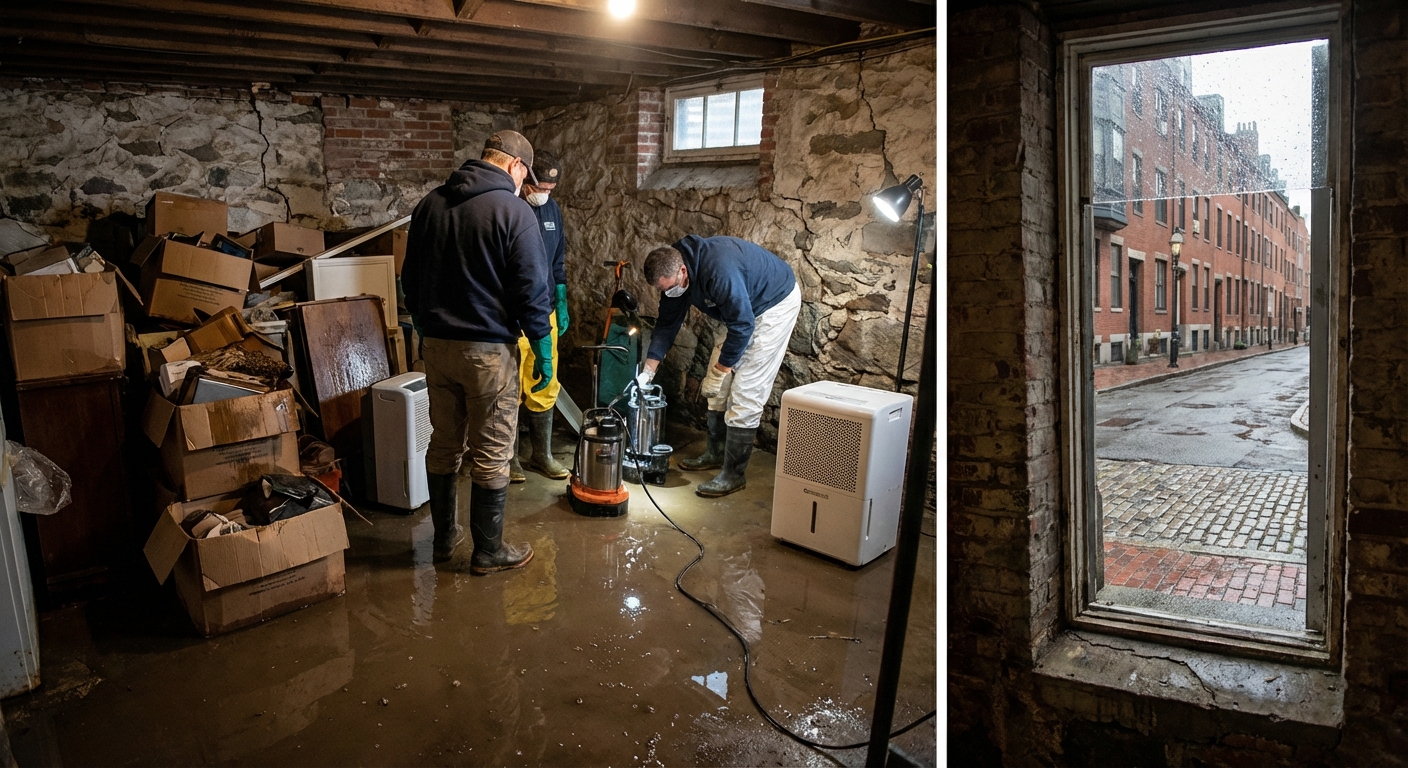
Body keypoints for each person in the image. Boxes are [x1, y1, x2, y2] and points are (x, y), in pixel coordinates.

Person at [402, 130, 554, 572]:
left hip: (437, 348)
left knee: (444, 443)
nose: (524, 185)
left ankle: (444, 538)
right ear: (515, 166)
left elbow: (410, 278)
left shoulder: (430, 204)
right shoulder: (513, 211)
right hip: (488, 353)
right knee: (492, 449)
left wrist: (426, 326)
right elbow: (532, 289)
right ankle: (488, 551)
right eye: (525, 176)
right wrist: (542, 350)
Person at [636, 236, 801, 497]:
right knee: (716, 391)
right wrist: (649, 370)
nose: (670, 293)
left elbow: (743, 325)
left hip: (773, 304)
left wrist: (721, 371)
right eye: (664, 290)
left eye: (672, 287)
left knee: (746, 389)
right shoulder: (674, 272)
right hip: (741, 309)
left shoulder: (718, 271)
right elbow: (666, 324)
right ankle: (715, 452)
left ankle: (734, 475)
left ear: (682, 270)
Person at [509, 150, 571, 483]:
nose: (544, 194)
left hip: (545, 308)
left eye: (550, 188)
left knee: (545, 381)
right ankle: (510, 458)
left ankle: (541, 454)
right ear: (525, 176)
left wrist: (561, 296)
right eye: (540, 187)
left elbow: (557, 257)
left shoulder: (551, 210)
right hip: (513, 313)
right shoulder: (508, 208)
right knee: (511, 383)